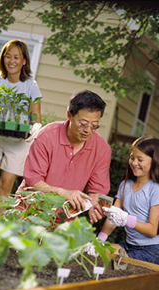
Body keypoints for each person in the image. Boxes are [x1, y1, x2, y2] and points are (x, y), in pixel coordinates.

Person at [16, 89, 111, 224]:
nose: (88, 130)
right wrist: (64, 193)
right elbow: (34, 181)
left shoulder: (102, 149)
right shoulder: (46, 137)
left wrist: (96, 206)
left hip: (63, 222)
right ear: (69, 115)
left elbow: (97, 190)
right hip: (28, 213)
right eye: (83, 124)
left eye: (94, 125)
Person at [0, 39, 42, 197]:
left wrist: (34, 132)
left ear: (24, 61)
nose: (11, 61)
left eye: (16, 57)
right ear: (2, 58)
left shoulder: (31, 85)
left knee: (5, 184)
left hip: (19, 142)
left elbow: (36, 117)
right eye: (8, 56)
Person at [97, 135, 159, 265]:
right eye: (132, 158)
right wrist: (100, 239)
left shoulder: (155, 190)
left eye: (140, 159)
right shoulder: (125, 185)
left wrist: (127, 220)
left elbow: (153, 230)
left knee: (110, 258)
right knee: (100, 250)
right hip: (130, 246)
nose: (134, 163)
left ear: (154, 161)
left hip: (151, 251)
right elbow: (113, 217)